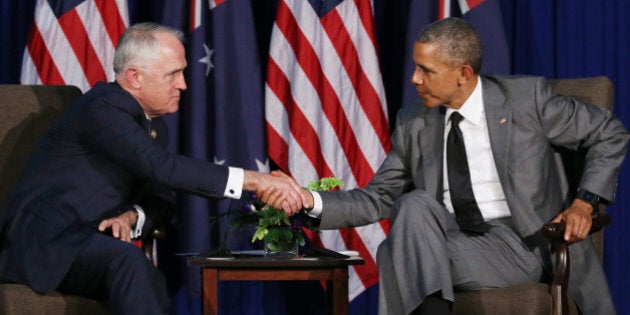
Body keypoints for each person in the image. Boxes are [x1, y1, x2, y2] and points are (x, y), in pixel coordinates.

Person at [301, 17, 628, 315]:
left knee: (394, 253)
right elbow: (378, 198)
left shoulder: (525, 101)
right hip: (455, 242)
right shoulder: (415, 121)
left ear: (463, 73)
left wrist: (584, 203)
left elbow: (609, 133)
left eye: (427, 70)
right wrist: (309, 201)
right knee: (411, 206)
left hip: (527, 246)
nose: (415, 79)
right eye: (416, 67)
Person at [0, 22, 306, 314]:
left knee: (142, 274)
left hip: (85, 243)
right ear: (135, 77)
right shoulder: (103, 109)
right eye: (173, 74)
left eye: (183, 73)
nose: (183, 84)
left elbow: (161, 197)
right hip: (45, 244)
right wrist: (255, 181)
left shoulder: (152, 126)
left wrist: (134, 215)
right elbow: (162, 168)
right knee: (129, 264)